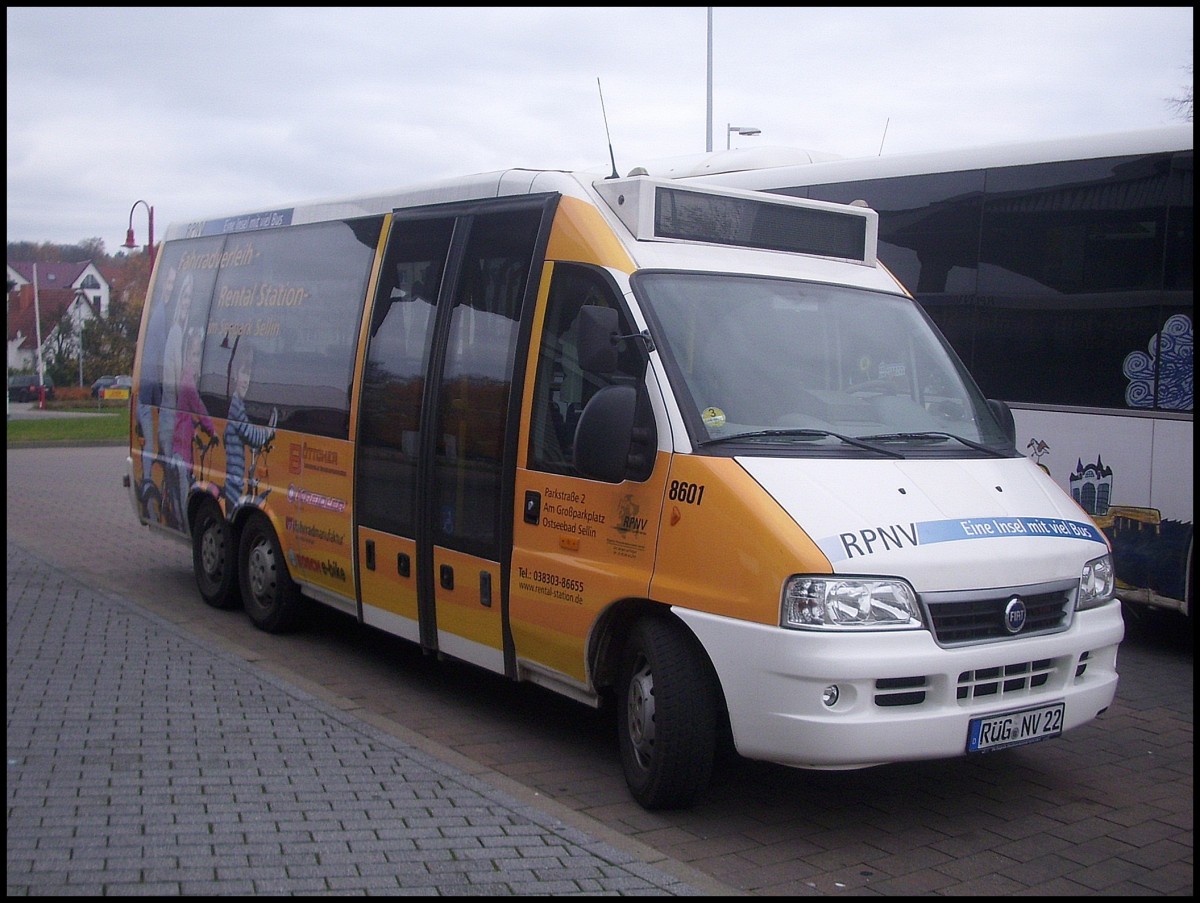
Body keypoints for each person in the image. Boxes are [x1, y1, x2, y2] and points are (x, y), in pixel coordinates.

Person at [135, 265, 176, 509]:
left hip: (151, 393)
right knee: (151, 443)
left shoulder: (162, 312)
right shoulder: (160, 315)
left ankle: (153, 484)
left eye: (172, 284)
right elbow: (157, 361)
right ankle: (147, 485)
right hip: (148, 394)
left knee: (158, 442)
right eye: (167, 283)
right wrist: (158, 401)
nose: (170, 288)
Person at [168, 327, 217, 524]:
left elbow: (188, 413)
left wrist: (197, 429)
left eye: (199, 355)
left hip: (182, 441)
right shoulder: (188, 381)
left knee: (185, 483)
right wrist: (212, 429)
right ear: (187, 355)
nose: (197, 359)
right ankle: (182, 521)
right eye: (194, 354)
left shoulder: (188, 377)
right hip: (181, 446)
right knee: (184, 490)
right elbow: (198, 407)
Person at [223, 342, 278, 512]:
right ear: (234, 375)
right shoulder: (236, 407)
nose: (246, 380)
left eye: (249, 374)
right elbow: (251, 435)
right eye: (243, 373)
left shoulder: (238, 405)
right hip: (233, 486)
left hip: (235, 483)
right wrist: (269, 431)